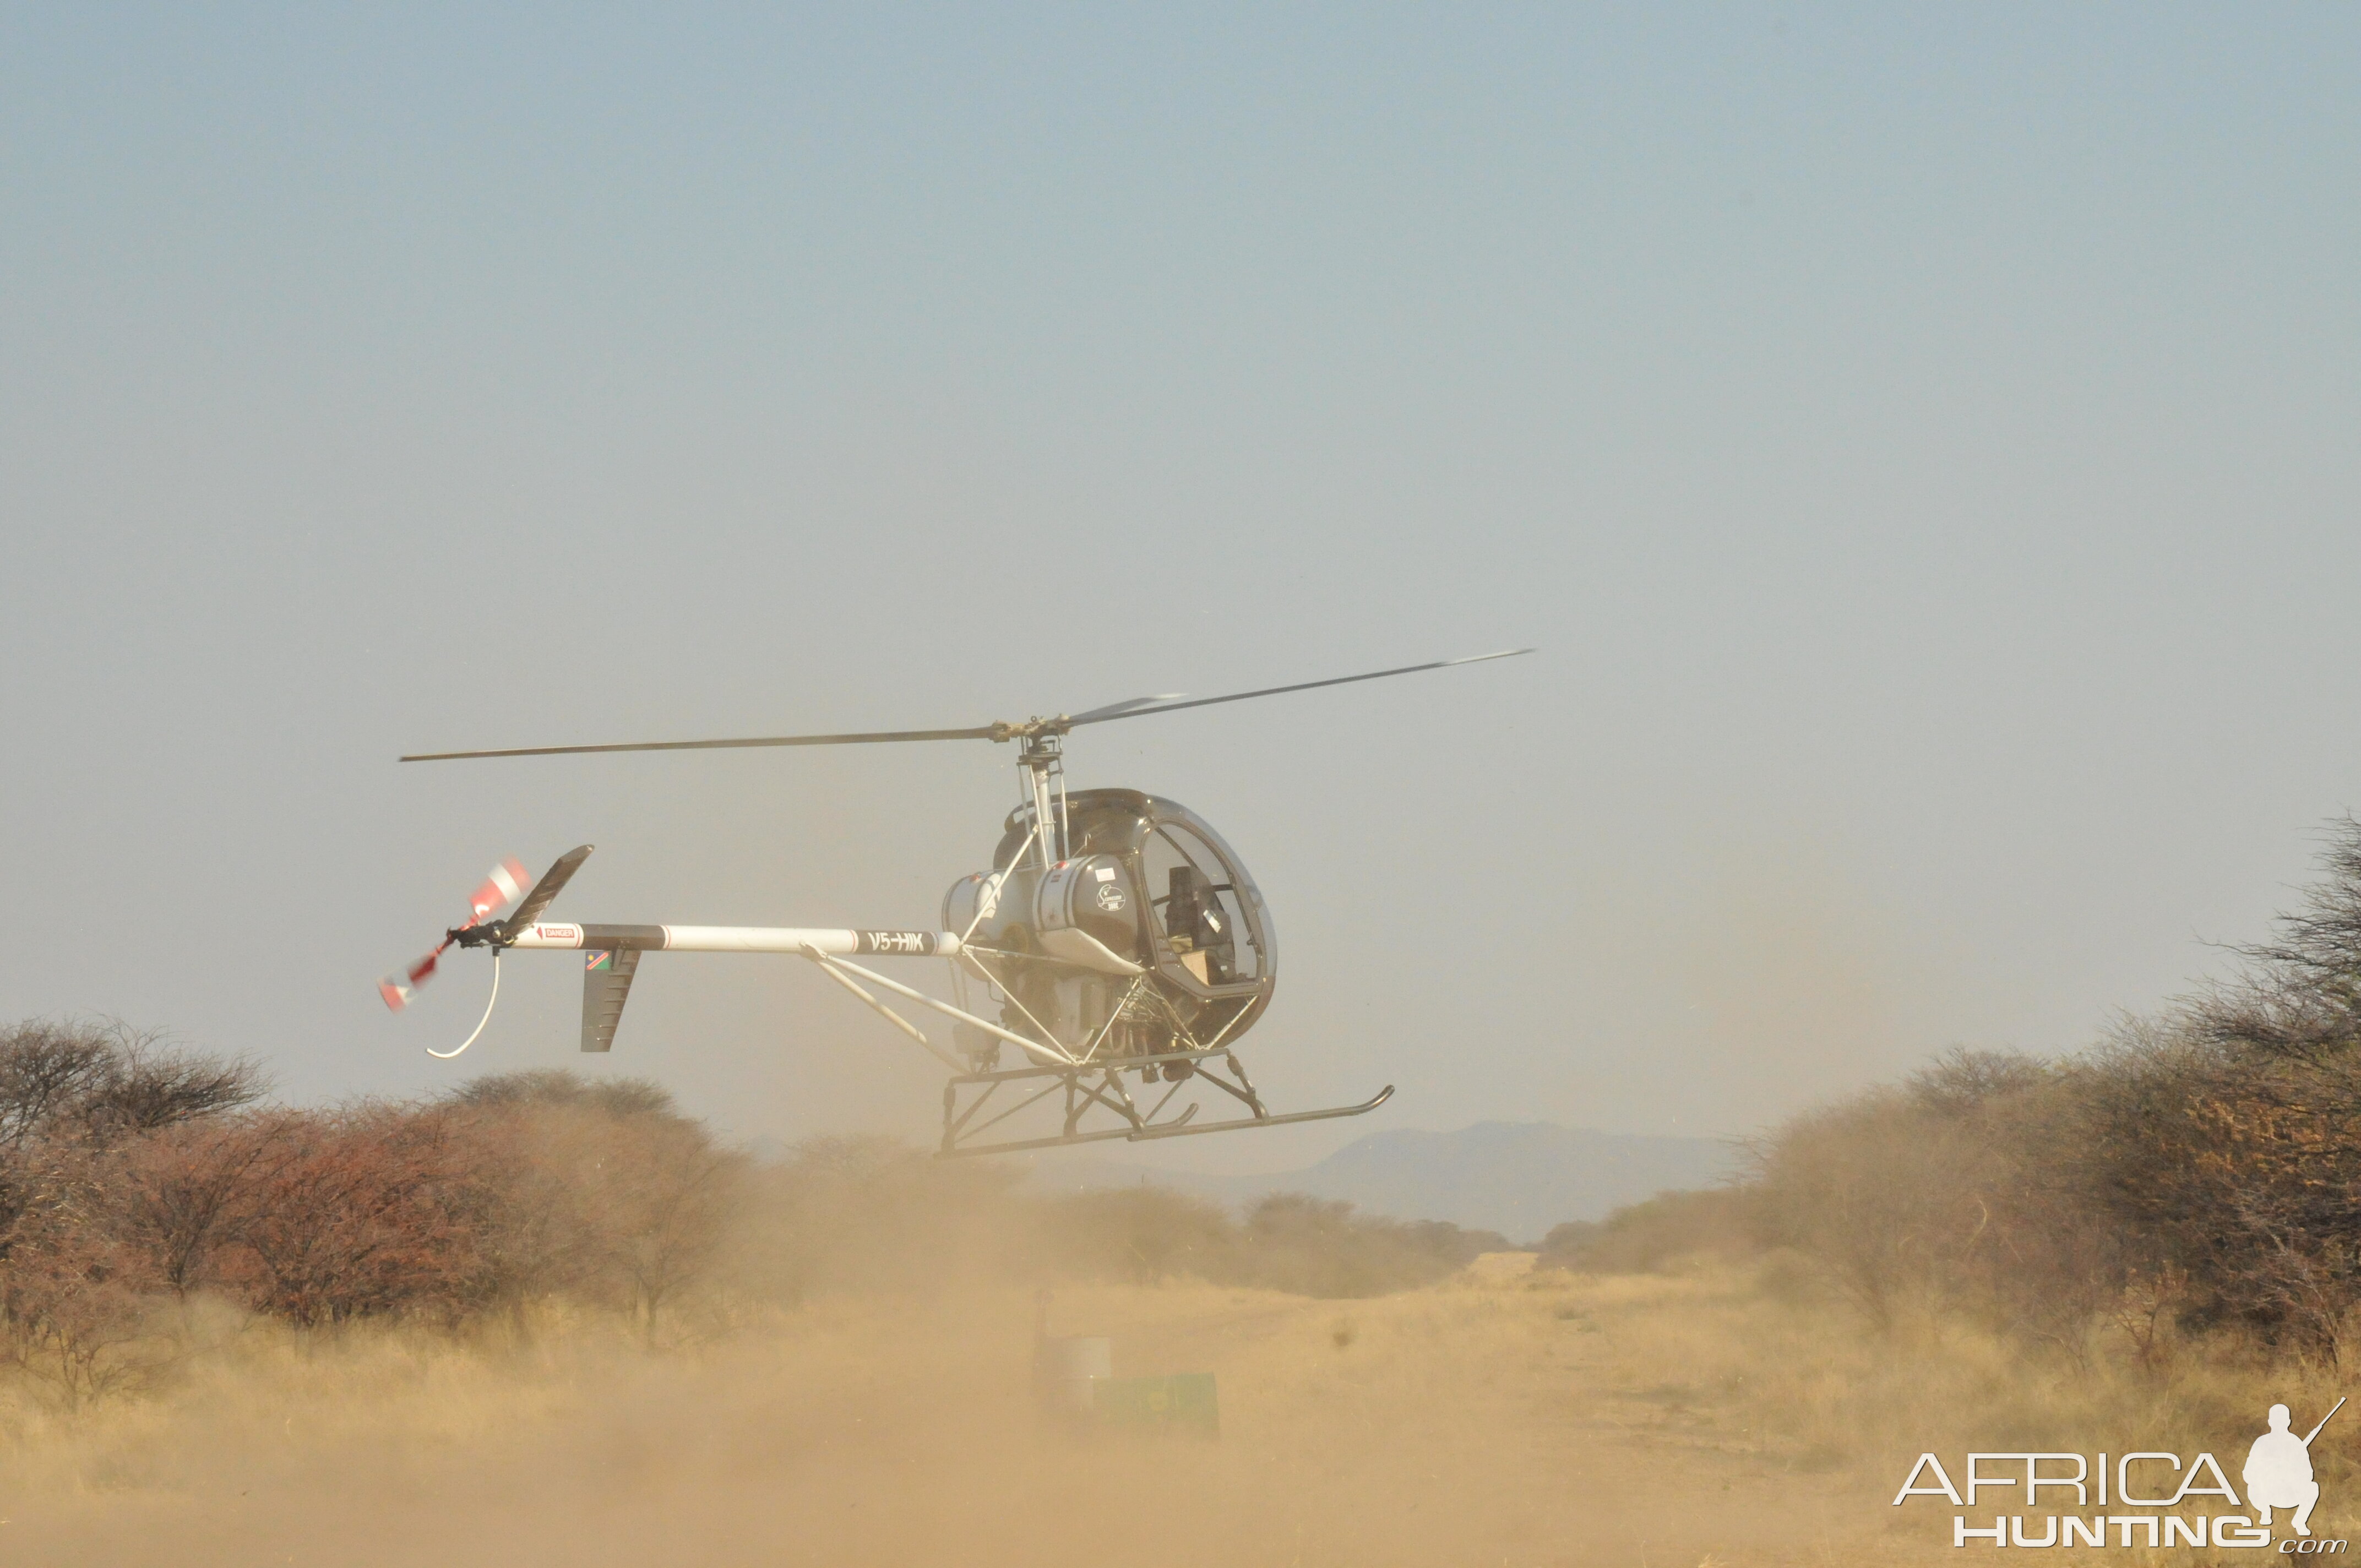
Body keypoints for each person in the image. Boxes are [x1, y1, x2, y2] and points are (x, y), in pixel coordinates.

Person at [2245, 1403, 2322, 1537]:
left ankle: (2300, 1522)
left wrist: (2291, 1473)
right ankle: (2265, 1511)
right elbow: (2248, 1473)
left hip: (2289, 1493)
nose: (2279, 1424)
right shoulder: (2261, 1442)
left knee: (2313, 1488)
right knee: (2253, 1486)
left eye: (2282, 1421)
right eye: (2276, 1420)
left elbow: (2308, 1474)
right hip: (2266, 1493)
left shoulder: (2296, 1442)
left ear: (2288, 1422)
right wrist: (2268, 1473)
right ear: (2270, 1422)